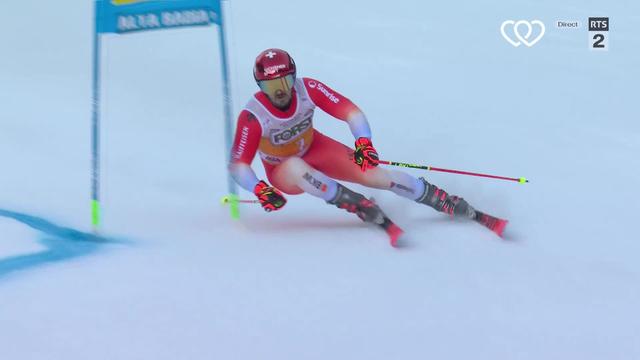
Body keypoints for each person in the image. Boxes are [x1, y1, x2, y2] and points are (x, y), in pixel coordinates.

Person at [228, 48, 505, 245]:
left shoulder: (308, 88)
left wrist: (363, 142)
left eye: (285, 81)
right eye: (270, 85)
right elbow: (238, 165)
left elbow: (352, 113)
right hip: (283, 170)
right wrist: (258, 188)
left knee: (377, 176)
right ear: (260, 86)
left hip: (317, 148)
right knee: (298, 168)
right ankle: (357, 205)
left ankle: (443, 200)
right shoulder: (253, 116)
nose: (280, 91)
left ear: (294, 77)